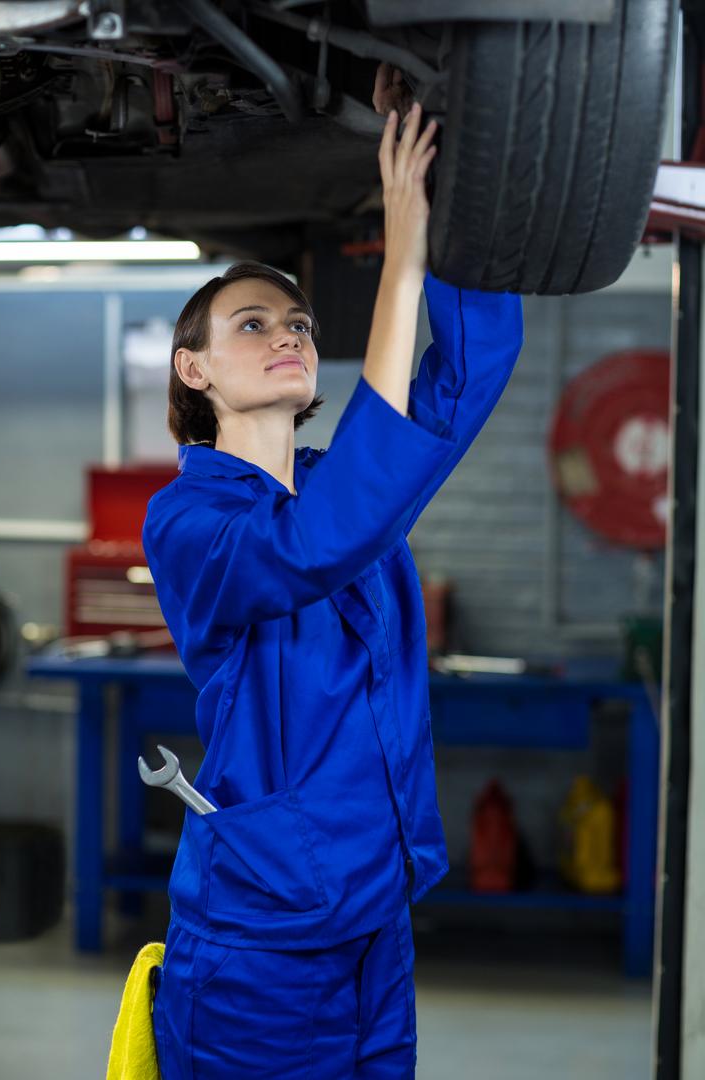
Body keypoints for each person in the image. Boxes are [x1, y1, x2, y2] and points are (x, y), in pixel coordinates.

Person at [142, 69, 524, 1080]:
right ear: (195, 370)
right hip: (260, 941)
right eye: (253, 325)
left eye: (302, 323)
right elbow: (314, 547)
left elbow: (469, 373)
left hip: (376, 921)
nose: (289, 335)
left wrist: (457, 216)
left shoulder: (344, 485)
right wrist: (396, 262)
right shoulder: (189, 519)